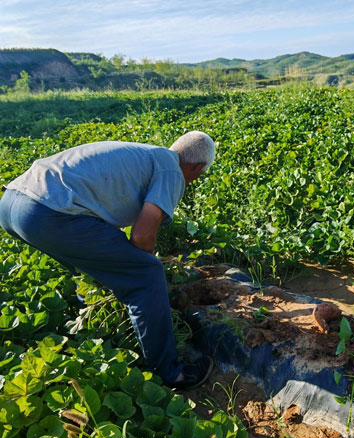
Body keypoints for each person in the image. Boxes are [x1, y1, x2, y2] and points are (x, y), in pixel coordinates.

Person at [0, 131, 215, 389]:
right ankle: (170, 372)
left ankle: (88, 324)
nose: (193, 181)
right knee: (147, 275)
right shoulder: (171, 171)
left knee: (89, 262)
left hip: (13, 203)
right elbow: (143, 234)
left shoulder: (144, 155)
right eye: (198, 176)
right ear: (197, 167)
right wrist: (143, 276)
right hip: (45, 213)